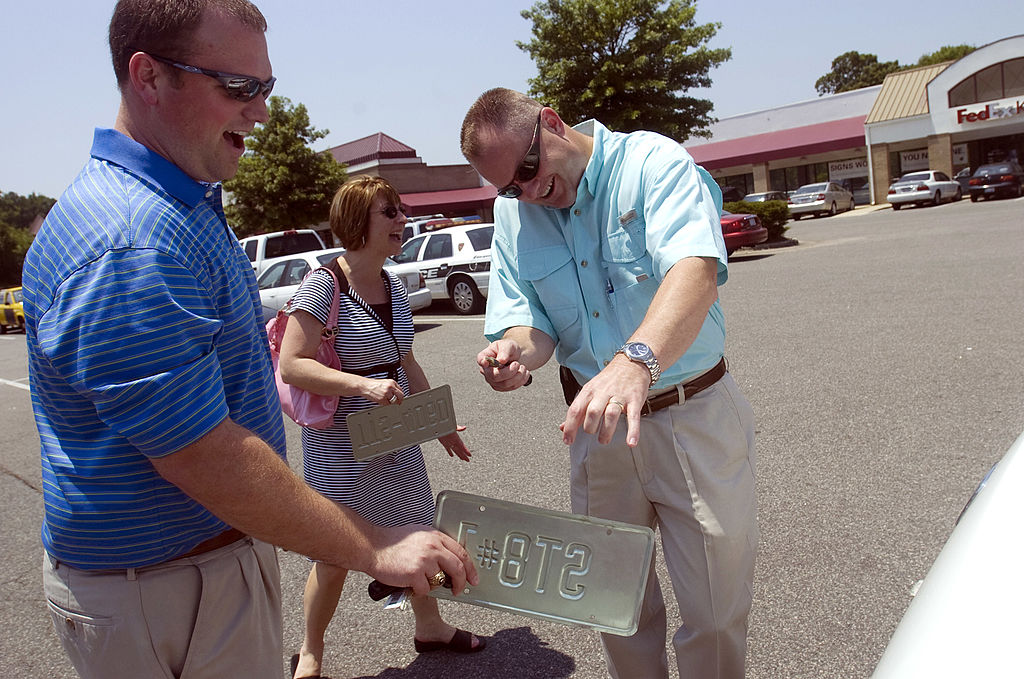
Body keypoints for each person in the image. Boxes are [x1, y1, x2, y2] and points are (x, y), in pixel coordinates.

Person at [23, 3, 476, 678]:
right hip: (167, 590)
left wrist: (431, 417)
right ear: (148, 77)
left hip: (196, 571)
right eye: (238, 87)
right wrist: (376, 546)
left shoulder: (180, 205)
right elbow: (201, 453)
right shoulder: (131, 241)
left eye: (266, 87)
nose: (261, 112)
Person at [460, 88, 757, 679]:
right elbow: (530, 324)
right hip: (596, 428)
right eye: (508, 188)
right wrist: (512, 354)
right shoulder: (516, 210)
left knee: (716, 610)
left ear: (551, 121)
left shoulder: (653, 164)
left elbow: (693, 273)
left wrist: (636, 360)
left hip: (688, 410)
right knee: (613, 605)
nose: (527, 192)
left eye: (528, 170)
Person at [280, 176, 486, 678]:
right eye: (388, 212)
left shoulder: (393, 285)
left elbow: (406, 365)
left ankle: (430, 626)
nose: (401, 220)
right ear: (357, 222)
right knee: (335, 552)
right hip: (340, 447)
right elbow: (291, 365)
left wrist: (440, 425)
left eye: (399, 210)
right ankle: (311, 652)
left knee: (415, 535)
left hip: (393, 438)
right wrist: (363, 385)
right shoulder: (324, 284)